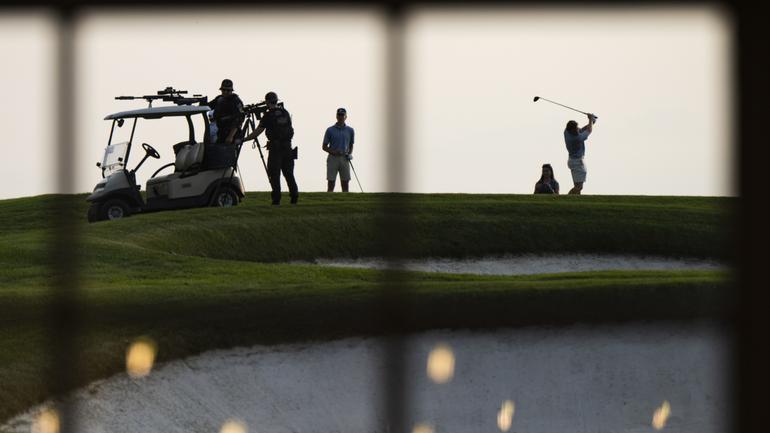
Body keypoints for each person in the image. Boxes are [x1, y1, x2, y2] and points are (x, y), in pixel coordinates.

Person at [242, 91, 298, 205]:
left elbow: (258, 131)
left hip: (275, 149)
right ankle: (294, 196)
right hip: (288, 147)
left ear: (267, 102)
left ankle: (276, 199)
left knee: (274, 174)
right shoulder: (285, 112)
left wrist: (244, 139)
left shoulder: (268, 115)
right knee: (289, 173)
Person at [322, 108, 355, 192]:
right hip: (333, 158)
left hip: (345, 158)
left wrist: (349, 154)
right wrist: (333, 151)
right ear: (336, 116)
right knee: (331, 182)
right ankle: (329, 201)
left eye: (342, 115)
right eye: (339, 115)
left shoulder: (350, 130)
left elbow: (351, 145)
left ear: (345, 117)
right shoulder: (330, 130)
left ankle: (345, 202)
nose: (340, 117)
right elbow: (324, 146)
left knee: (345, 183)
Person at [564, 113, 597, 194]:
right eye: (575, 129)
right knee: (579, 187)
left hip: (573, 161)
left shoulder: (566, 131)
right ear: (571, 130)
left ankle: (575, 202)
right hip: (577, 162)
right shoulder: (577, 138)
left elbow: (581, 130)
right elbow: (589, 131)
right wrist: (590, 120)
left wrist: (591, 122)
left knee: (577, 185)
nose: (576, 130)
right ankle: (565, 199)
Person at [207, 79, 244, 144]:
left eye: (228, 90)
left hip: (231, 134)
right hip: (221, 132)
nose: (225, 92)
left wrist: (230, 136)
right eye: (224, 90)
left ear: (231, 91)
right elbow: (208, 106)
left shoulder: (235, 101)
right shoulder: (219, 99)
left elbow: (238, 120)